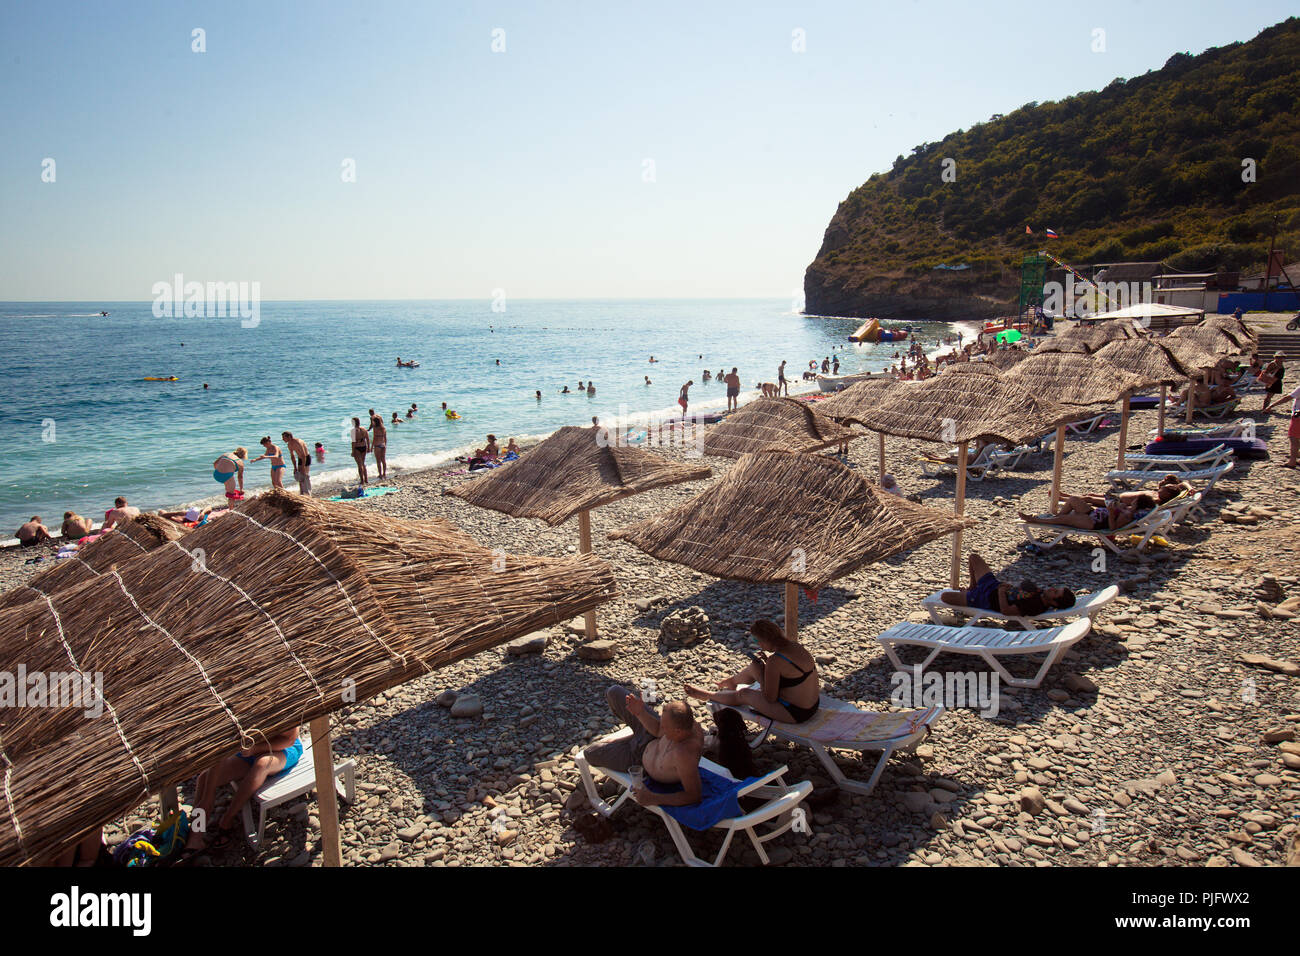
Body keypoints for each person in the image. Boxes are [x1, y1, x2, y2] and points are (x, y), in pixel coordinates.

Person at [183, 725, 303, 856]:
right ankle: (196, 835)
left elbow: (289, 740)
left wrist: (256, 748)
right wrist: (208, 797)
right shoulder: (229, 720)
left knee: (261, 764)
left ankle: (227, 820)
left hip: (283, 750)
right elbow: (221, 752)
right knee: (204, 780)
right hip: (250, 749)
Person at [583, 687, 703, 808]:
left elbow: (693, 795)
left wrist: (653, 798)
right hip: (649, 737)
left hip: (636, 758)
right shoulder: (685, 724)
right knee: (614, 692)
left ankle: (630, 740)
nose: (662, 727)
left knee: (590, 752)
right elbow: (657, 730)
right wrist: (640, 713)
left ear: (677, 731)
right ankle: (632, 736)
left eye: (665, 727)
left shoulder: (685, 754)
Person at [685, 619, 820, 724]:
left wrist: (762, 674)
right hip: (812, 705)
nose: (757, 644)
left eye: (756, 640)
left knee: (744, 694)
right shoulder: (795, 646)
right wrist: (765, 668)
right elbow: (789, 672)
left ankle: (708, 695)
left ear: (765, 640)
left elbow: (770, 698)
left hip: (796, 712)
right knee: (754, 667)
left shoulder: (776, 661)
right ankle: (731, 682)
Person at [939, 553, 1076, 616]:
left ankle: (971, 594)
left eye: (1055, 592)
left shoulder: (1035, 606)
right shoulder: (1040, 594)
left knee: (944, 597)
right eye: (1056, 589)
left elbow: (1006, 611)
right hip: (993, 585)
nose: (1052, 589)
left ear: (1055, 603)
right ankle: (972, 588)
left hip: (985, 599)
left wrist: (1001, 592)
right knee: (973, 558)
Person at [1019, 493, 1156, 532]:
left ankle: (1035, 520)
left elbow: (1113, 528)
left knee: (1066, 519)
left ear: (1138, 503)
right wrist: (1112, 504)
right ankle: (1055, 519)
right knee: (1073, 500)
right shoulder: (1127, 508)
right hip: (1093, 513)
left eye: (1136, 500)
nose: (1133, 499)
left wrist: (1111, 512)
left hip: (1095, 523)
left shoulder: (1128, 516)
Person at [282, 432, 312, 496]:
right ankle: (302, 493)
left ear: (289, 437)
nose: (282, 439)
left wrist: (303, 467)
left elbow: (304, 455)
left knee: (305, 475)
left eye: (284, 437)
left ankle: (308, 493)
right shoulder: (289, 445)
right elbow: (292, 456)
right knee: (299, 476)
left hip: (306, 458)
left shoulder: (298, 442)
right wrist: (295, 467)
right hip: (300, 459)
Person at [1281, 381, 1300, 468]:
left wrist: (1272, 405)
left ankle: (1292, 461)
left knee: (1294, 439)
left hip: (1298, 416)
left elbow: (1288, 398)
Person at [350, 417, 371, 484]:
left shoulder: (353, 431)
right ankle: (366, 479)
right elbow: (367, 439)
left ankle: (362, 480)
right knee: (363, 463)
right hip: (364, 447)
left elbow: (353, 442)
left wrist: (353, 451)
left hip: (357, 448)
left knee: (359, 465)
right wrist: (368, 447)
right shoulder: (364, 429)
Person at [370, 414, 388, 480]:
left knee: (378, 461)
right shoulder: (383, 428)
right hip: (383, 445)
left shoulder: (375, 428)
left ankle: (380, 474)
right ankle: (384, 473)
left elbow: (374, 438)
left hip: (377, 445)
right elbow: (385, 438)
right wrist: (385, 445)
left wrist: (371, 447)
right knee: (383, 460)